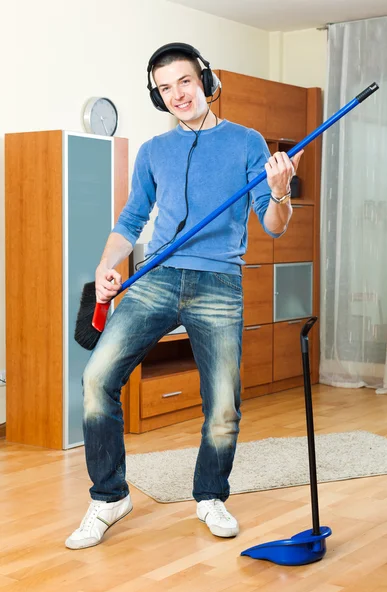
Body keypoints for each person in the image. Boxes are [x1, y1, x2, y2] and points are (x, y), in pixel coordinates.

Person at [66, 42, 303, 550]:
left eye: (185, 82)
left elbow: (275, 224)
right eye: (165, 88)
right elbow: (132, 220)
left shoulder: (246, 142)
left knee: (223, 405)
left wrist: (281, 190)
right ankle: (109, 497)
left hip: (219, 283)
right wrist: (106, 267)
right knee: (97, 379)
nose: (177, 94)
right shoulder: (155, 152)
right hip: (156, 276)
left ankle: (211, 495)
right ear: (158, 96)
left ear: (206, 82)